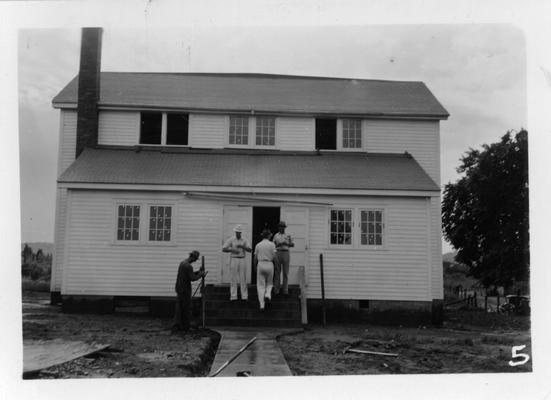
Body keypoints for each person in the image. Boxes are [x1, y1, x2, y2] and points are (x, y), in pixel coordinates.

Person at [172, 250, 205, 332]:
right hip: (185, 289)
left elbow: (189, 274)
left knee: (179, 307)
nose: (195, 261)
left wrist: (198, 272)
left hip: (179, 287)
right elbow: (192, 278)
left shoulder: (182, 263)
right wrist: (201, 275)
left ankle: (177, 325)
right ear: (192, 257)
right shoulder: (188, 266)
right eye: (195, 259)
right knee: (186, 308)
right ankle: (185, 327)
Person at [222, 224, 252, 301]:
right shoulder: (231, 239)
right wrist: (232, 250)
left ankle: (244, 296)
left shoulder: (244, 240)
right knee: (233, 278)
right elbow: (224, 249)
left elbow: (250, 250)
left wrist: (242, 247)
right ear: (235, 232)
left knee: (243, 278)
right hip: (234, 259)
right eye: (237, 232)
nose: (238, 233)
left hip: (242, 259)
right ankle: (233, 296)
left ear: (241, 232)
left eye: (239, 232)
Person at [254, 228, 276, 311]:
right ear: (269, 235)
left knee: (260, 285)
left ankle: (262, 305)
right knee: (270, 283)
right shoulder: (272, 244)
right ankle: (267, 294)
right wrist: (276, 266)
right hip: (269, 264)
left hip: (260, 264)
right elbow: (275, 257)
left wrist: (255, 266)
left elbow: (255, 258)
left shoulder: (258, 245)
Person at [273, 221, 294, 296]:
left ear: (285, 227)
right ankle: (276, 290)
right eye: (280, 226)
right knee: (277, 271)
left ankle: (285, 290)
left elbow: (292, 244)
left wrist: (286, 243)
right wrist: (278, 244)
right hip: (278, 252)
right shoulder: (276, 235)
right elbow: (273, 245)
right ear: (278, 227)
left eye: (283, 226)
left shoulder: (288, 235)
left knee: (285, 272)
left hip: (285, 252)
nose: (281, 228)